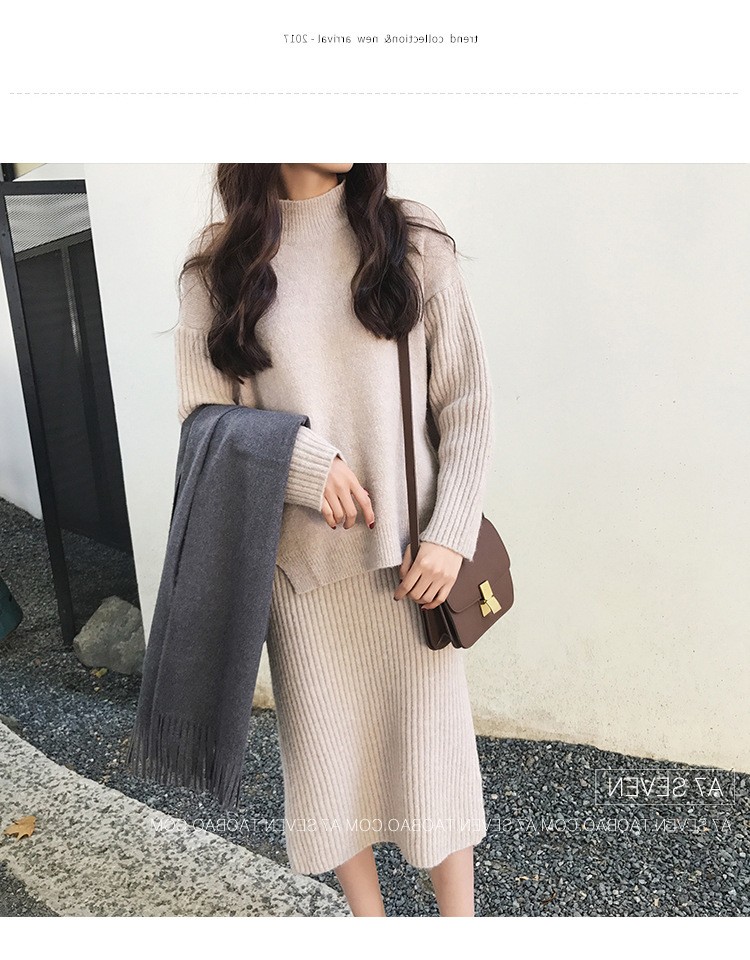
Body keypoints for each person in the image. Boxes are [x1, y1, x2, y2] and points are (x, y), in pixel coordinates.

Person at [174, 163, 494, 916]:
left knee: (437, 769)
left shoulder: (411, 241)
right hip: (300, 575)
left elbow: (468, 401)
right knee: (331, 771)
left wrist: (450, 534)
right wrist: (297, 460)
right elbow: (202, 420)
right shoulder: (219, 267)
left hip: (412, 567)